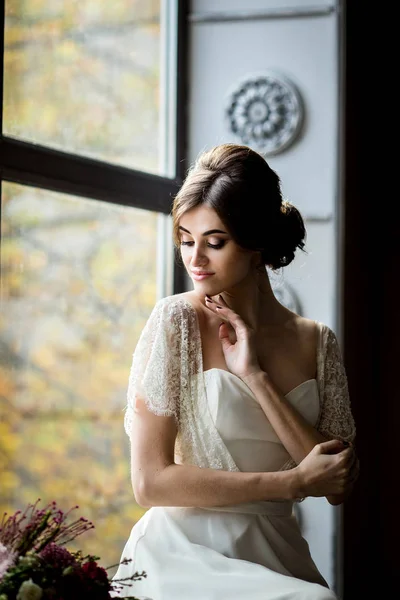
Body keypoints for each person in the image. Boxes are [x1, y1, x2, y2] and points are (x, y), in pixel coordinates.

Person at [111, 143, 358, 600]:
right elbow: (149, 483)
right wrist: (290, 483)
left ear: (256, 241)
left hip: (278, 554)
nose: (195, 259)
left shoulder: (317, 341)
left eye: (215, 241)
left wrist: (256, 378)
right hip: (181, 554)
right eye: (186, 240)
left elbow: (339, 483)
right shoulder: (176, 321)